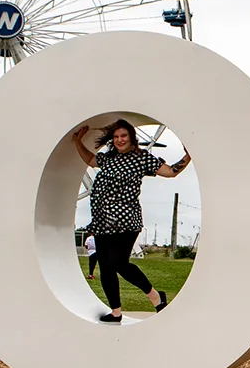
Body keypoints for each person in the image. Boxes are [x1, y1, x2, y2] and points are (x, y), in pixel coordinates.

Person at [71, 118, 191, 323]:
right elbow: (90, 160)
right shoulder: (108, 158)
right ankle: (116, 312)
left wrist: (188, 156)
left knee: (119, 262)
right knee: (106, 268)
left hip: (126, 220)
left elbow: (170, 172)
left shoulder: (141, 158)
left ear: (132, 137)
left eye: (124, 135)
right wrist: (77, 142)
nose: (119, 140)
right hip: (101, 221)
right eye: (116, 136)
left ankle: (155, 296)